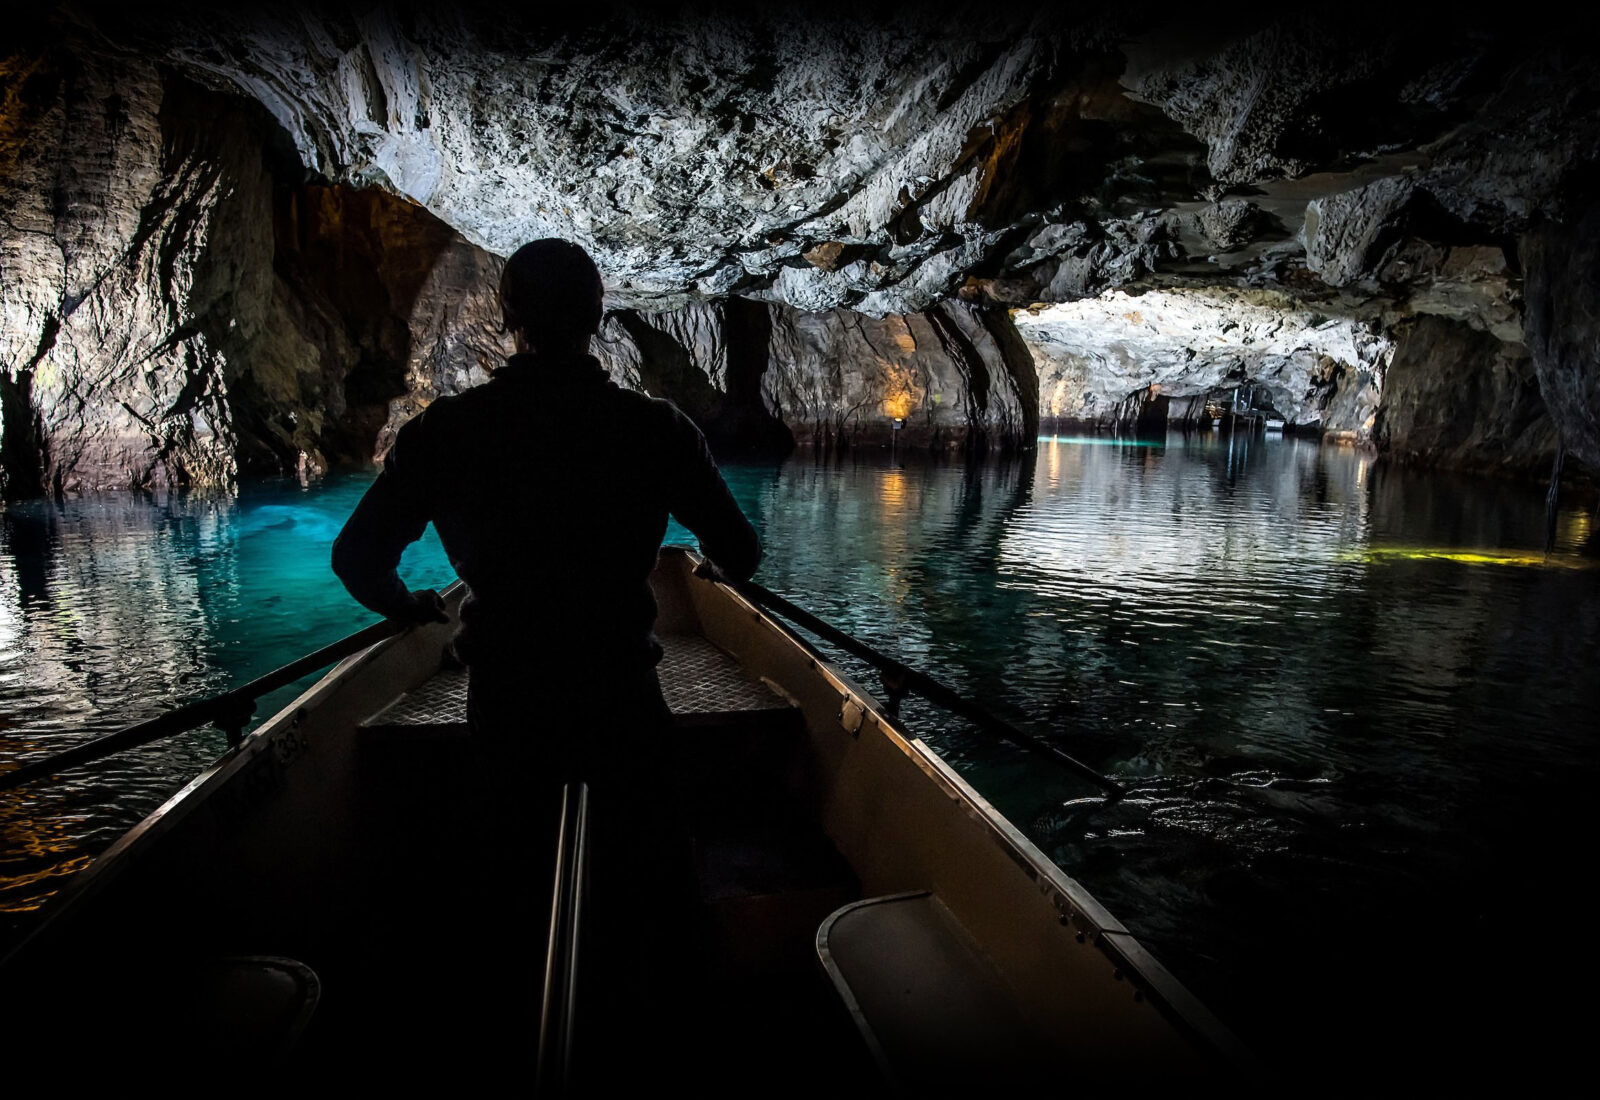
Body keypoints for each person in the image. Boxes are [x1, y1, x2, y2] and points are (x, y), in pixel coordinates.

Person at [329, 240, 761, 1048]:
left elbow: (356, 559)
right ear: (599, 318)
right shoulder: (657, 430)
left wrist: (409, 603)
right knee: (659, 895)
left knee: (504, 894)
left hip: (510, 702)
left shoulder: (448, 432)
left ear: (509, 317)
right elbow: (741, 553)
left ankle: (501, 1037)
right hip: (621, 696)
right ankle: (671, 1040)